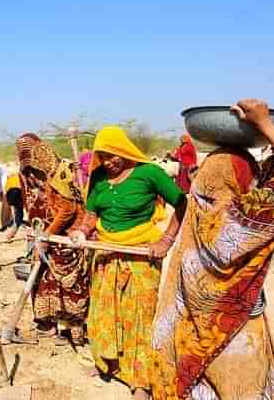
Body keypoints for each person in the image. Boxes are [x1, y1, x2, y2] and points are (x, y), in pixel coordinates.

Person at [151, 99, 274, 400]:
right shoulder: (242, 219)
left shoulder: (200, 212)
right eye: (253, 177)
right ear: (242, 181)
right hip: (236, 329)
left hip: (192, 326)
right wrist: (265, 125)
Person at [69, 126, 187, 400]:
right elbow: (90, 214)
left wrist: (166, 241)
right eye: (103, 156)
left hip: (141, 255)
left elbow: (184, 204)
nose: (108, 162)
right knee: (104, 313)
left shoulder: (150, 174)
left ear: (124, 151)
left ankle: (141, 382)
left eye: (113, 156)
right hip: (106, 254)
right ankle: (106, 363)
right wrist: (81, 232)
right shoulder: (97, 177)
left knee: (140, 317)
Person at [17, 134, 90, 345]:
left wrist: (48, 236)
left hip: (65, 238)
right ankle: (47, 325)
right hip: (43, 235)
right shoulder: (28, 174)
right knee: (42, 280)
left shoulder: (56, 172)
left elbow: (68, 208)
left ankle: (70, 332)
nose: (26, 159)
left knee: (67, 284)